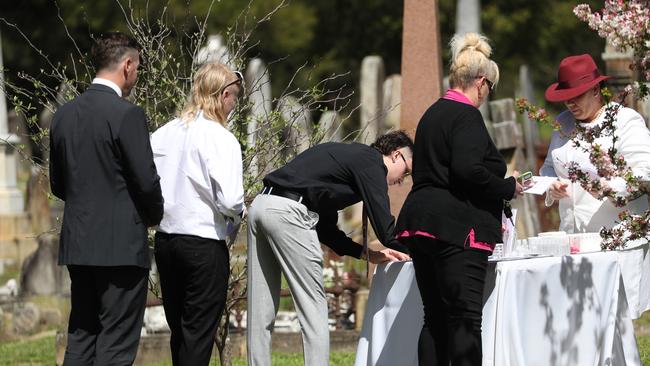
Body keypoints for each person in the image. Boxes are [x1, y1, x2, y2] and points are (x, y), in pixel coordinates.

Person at [395, 32, 525, 366]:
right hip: (457, 227)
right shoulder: (466, 116)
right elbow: (469, 171)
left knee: (434, 318)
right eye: (490, 88)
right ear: (481, 82)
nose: (487, 94)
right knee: (466, 318)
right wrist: (508, 187)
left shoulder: (432, 114)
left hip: (421, 223)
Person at [246, 130, 413, 366]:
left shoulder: (349, 160)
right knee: (313, 308)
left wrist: (366, 253)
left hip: (262, 205)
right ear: (396, 155)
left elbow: (326, 229)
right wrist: (419, 250)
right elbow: (386, 228)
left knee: (260, 309)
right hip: (289, 213)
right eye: (406, 171)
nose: (402, 179)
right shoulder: (371, 162)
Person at [49, 32, 164, 365]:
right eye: (138, 66)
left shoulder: (64, 115)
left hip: (79, 243)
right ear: (127, 65)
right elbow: (146, 182)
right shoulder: (127, 115)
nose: (137, 74)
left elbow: (59, 184)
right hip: (121, 248)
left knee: (82, 336)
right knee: (115, 342)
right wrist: (155, 214)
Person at [150, 62, 245, 365]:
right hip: (203, 244)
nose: (235, 105)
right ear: (224, 94)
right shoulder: (221, 138)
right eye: (235, 98)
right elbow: (231, 199)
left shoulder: (163, 133)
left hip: (166, 242)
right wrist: (235, 220)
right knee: (198, 337)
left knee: (180, 333)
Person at [541, 54, 650, 233]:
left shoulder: (624, 120)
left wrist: (610, 188)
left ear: (595, 90)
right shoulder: (563, 122)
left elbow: (645, 171)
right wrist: (551, 186)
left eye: (577, 95)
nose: (569, 103)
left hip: (619, 237)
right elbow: (549, 167)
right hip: (572, 236)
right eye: (566, 97)